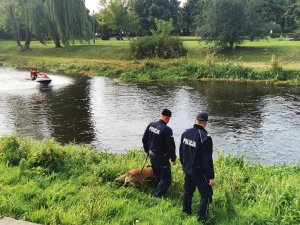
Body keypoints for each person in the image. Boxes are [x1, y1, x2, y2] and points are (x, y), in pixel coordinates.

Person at [179, 112, 215, 223]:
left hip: (188, 169)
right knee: (206, 194)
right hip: (199, 172)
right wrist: (211, 177)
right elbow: (207, 160)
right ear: (206, 123)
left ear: (196, 121)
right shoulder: (205, 138)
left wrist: (183, 163)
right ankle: (201, 219)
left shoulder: (186, 133)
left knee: (188, 191)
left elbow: (181, 150)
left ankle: (186, 212)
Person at [142, 109, 176, 197]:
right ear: (168, 118)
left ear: (160, 115)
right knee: (166, 178)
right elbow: (171, 146)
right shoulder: (167, 129)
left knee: (157, 174)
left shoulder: (151, 125)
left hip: (152, 154)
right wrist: (173, 158)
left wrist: (146, 150)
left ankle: (157, 188)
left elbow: (144, 138)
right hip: (161, 157)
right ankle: (157, 196)